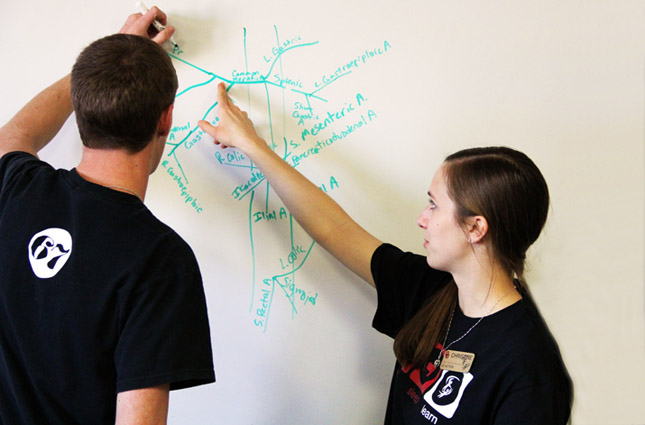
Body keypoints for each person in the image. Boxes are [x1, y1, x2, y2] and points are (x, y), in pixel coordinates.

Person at [198, 83, 573, 424]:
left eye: (434, 206)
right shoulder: (432, 289)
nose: (421, 219)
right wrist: (252, 145)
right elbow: (334, 230)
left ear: (476, 228)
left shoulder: (530, 369)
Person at [0, 9, 214, 425]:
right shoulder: (161, 261)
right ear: (166, 118)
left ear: (81, 107)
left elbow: (13, 135)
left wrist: (105, 61)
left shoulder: (19, 190)